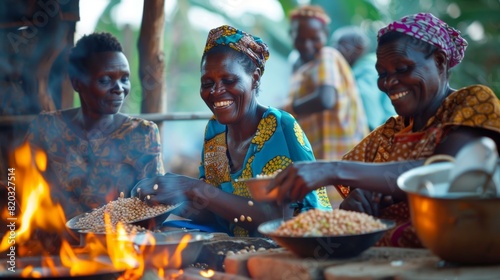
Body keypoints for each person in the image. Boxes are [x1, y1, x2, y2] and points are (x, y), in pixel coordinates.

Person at [268, 13, 500, 247]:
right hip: (387, 258)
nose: (388, 83)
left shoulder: (471, 102)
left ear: (440, 61)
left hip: (452, 250)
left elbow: (446, 172)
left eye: (402, 68)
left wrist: (333, 169)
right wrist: (358, 200)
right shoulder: (388, 134)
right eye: (383, 74)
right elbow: (353, 199)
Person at [133, 25, 331, 237]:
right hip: (239, 240)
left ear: (255, 78)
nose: (216, 91)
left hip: (298, 244)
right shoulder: (215, 130)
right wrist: (174, 198)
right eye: (207, 83)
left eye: (228, 81)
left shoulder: (280, 126)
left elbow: (277, 219)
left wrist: (194, 188)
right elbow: (220, 214)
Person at [25, 32, 165, 219]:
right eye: (105, 80)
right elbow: (21, 189)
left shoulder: (142, 133)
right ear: (77, 83)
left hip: (120, 242)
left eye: (124, 78)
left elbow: (157, 205)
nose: (119, 88)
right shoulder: (47, 128)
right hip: (57, 240)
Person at [282, 5, 369, 161]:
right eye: (300, 39)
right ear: (291, 35)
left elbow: (326, 99)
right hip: (324, 156)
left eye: (314, 39)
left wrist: (285, 109)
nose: (307, 44)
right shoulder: (302, 68)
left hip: (341, 155)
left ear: (326, 35)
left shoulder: (326, 55)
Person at [330, 26, 396, 131]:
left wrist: (368, 134)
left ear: (358, 49)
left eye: (341, 45)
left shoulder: (365, 69)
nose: (334, 49)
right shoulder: (367, 66)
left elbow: (366, 98)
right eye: (333, 44)